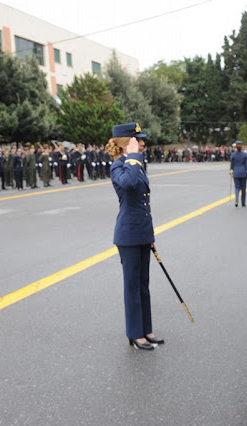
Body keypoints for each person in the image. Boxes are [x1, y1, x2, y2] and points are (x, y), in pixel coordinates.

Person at [107, 122, 163, 351]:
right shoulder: (120, 166)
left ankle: (146, 330)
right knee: (132, 286)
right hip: (127, 236)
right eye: (138, 140)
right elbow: (128, 185)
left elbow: (144, 205)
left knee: (144, 284)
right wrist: (132, 156)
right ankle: (134, 334)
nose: (142, 144)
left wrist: (149, 235)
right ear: (125, 143)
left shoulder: (135, 164)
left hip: (140, 233)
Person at [229, 141, 247, 207]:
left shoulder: (233, 155)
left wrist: (231, 171)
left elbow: (232, 165)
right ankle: (243, 202)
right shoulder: (244, 155)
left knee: (237, 187)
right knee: (243, 188)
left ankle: (237, 198)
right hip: (243, 172)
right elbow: (246, 165)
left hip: (236, 172)